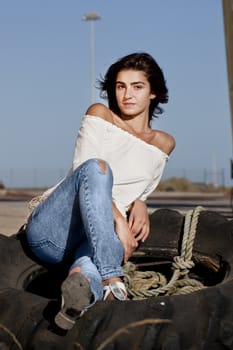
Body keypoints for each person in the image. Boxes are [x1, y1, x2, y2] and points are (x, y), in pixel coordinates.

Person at [25, 52, 175, 330]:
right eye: (120, 86)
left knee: (84, 269)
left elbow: (140, 186)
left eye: (137, 86)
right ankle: (113, 279)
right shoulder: (100, 114)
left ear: (153, 92)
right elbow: (85, 170)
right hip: (55, 231)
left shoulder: (164, 143)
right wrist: (119, 218)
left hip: (94, 237)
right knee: (97, 167)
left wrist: (141, 202)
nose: (127, 94)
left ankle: (82, 296)